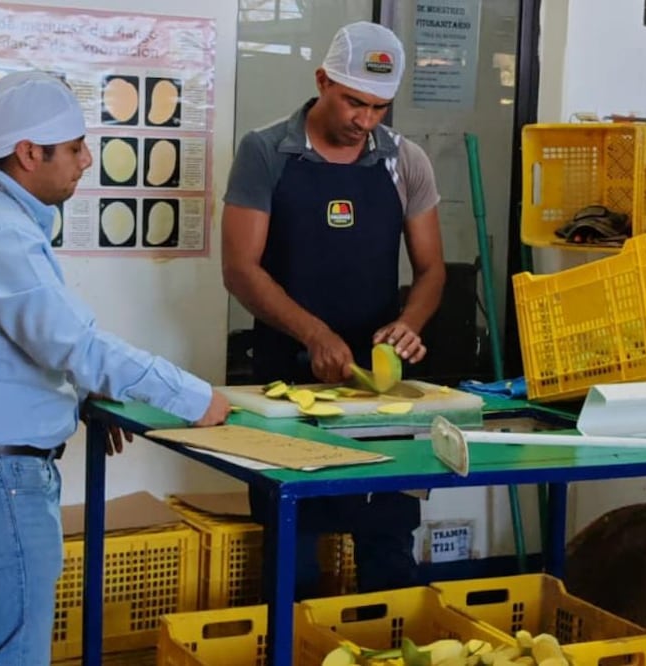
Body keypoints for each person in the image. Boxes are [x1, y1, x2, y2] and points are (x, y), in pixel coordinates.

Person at [0, 70, 230, 665]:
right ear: (28, 153)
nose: (86, 161)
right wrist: (196, 398)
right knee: (13, 656)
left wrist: (82, 398)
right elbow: (74, 344)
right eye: (74, 148)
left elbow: (11, 345)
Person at [221, 22, 445, 599]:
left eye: (378, 108)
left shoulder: (406, 161)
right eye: (353, 102)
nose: (364, 120)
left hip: (380, 397)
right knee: (292, 556)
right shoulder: (265, 152)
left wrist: (409, 325)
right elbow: (241, 269)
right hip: (285, 389)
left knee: (389, 548)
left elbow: (431, 271)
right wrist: (313, 334)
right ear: (322, 81)